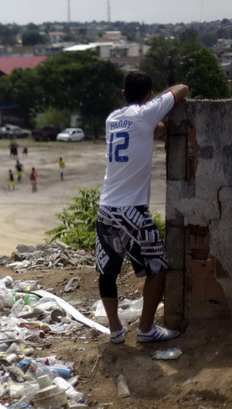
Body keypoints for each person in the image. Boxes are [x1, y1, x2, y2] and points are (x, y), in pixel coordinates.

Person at [96, 72, 189, 344]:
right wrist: (158, 104)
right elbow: (182, 88)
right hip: (131, 211)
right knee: (158, 267)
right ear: (149, 96)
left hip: (106, 208)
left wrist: (157, 125)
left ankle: (115, 331)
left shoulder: (113, 119)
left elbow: (152, 130)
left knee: (107, 271)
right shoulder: (145, 112)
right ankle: (146, 329)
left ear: (123, 94)